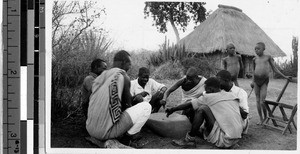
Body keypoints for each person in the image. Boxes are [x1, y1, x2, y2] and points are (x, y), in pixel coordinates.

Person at [86, 50, 152, 147]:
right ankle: (126, 140)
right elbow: (127, 105)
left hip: (90, 128)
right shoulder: (123, 76)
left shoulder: (100, 77)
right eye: (129, 64)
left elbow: (90, 101)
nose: (129, 67)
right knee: (146, 107)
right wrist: (137, 100)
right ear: (124, 62)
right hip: (104, 133)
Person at [166, 77, 244, 148]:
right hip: (236, 138)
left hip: (224, 139)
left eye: (206, 90)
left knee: (202, 109)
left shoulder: (208, 97)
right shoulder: (231, 95)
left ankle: (189, 140)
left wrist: (173, 109)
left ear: (211, 90)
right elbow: (243, 113)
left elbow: (189, 105)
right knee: (209, 111)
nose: (205, 92)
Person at [251, 42, 289, 125]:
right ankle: (261, 118)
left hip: (264, 80)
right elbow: (253, 71)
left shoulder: (268, 57)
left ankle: (265, 117)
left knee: (262, 101)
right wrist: (252, 81)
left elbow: (275, 69)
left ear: (263, 49)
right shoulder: (254, 59)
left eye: (258, 49)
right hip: (256, 81)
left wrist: (284, 76)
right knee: (257, 101)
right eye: (255, 49)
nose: (256, 50)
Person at [216, 70, 249, 134]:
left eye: (219, 81)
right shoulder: (219, 91)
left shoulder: (240, 92)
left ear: (226, 80)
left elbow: (244, 115)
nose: (217, 83)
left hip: (238, 122)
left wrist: (231, 103)